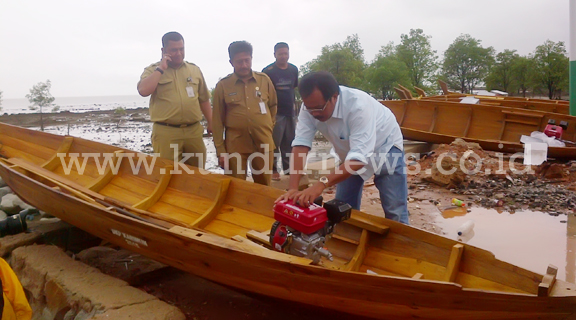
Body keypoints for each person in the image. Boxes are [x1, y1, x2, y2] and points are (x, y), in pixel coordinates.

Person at [276, 71, 409, 224]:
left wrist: (321, 184)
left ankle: (403, 244)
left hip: (385, 145)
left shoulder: (358, 106)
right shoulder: (310, 108)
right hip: (350, 154)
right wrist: (293, 188)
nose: (314, 113)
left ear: (334, 96)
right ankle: (346, 242)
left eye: (319, 108)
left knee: (395, 210)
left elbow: (359, 159)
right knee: (342, 207)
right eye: (309, 109)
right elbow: (300, 145)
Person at [137, 31, 212, 169]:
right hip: (167, 133)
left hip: (193, 131)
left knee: (197, 173)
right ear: (163, 50)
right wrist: (161, 69)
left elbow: (204, 99)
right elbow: (143, 91)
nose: (178, 53)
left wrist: (211, 122)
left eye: (181, 49)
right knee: (168, 174)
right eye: (174, 50)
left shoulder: (194, 70)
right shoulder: (153, 70)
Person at [212, 41, 278, 186]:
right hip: (235, 145)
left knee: (264, 186)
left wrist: (267, 126)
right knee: (235, 186)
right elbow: (217, 121)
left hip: (263, 142)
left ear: (251, 59)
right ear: (231, 62)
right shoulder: (223, 85)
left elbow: (273, 106)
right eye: (239, 61)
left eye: (247, 60)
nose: (244, 65)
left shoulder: (264, 80)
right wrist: (221, 151)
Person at [262, 42, 299, 181]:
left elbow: (293, 88)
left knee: (289, 142)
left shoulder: (293, 70)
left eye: (286, 53)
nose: (283, 56)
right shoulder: (268, 71)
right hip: (275, 113)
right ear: (275, 55)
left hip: (290, 112)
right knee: (273, 143)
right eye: (280, 54)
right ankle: (273, 170)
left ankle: (289, 170)